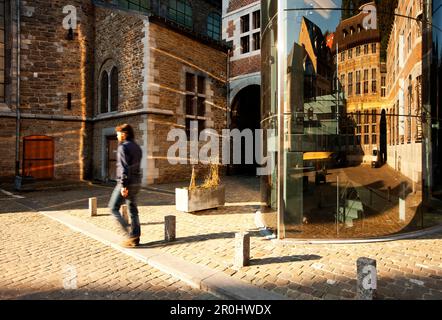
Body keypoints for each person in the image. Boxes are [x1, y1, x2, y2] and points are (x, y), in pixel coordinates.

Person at [108, 124, 143, 248]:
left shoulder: (123, 147)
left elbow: (124, 167)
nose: (117, 135)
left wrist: (123, 185)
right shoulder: (137, 147)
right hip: (137, 181)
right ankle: (136, 237)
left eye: (118, 133)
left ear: (124, 134)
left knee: (112, 207)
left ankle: (129, 234)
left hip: (127, 182)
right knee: (133, 210)